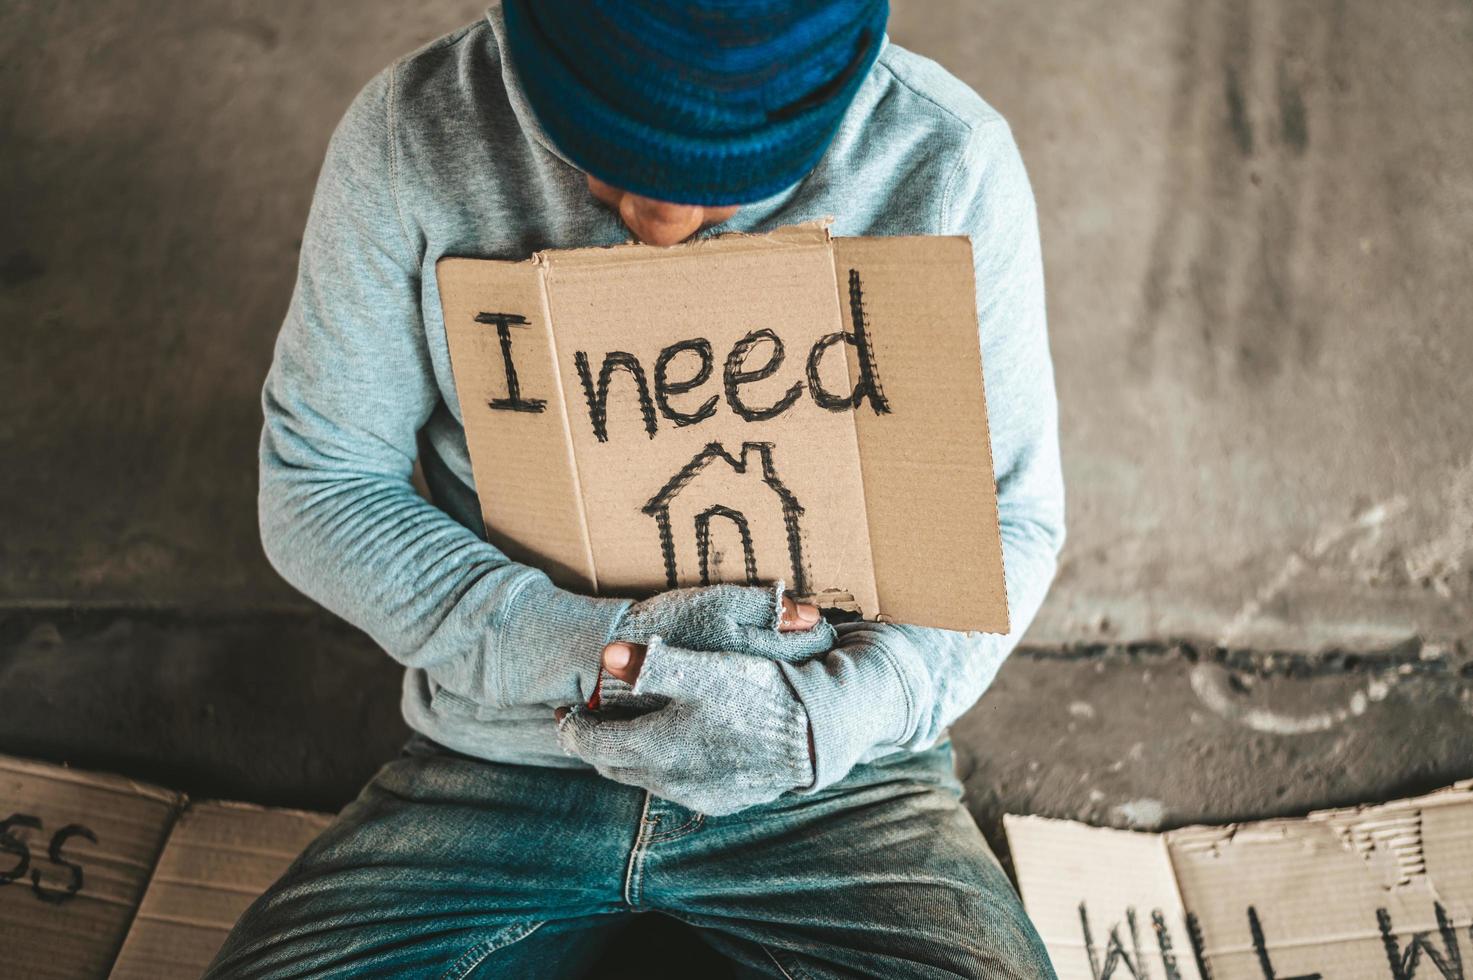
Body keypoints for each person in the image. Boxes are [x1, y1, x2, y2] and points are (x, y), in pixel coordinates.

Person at [203, 1, 1065, 977]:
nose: (661, 225)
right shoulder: (414, 132)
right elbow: (320, 480)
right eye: (608, 156)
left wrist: (837, 712)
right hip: (506, 758)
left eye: (730, 183)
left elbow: (1011, 516)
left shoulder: (946, 159)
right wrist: (595, 653)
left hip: (838, 777)